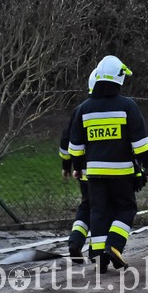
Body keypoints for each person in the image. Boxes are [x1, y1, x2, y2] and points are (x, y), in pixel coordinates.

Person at [69, 55, 148, 272]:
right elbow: (140, 142)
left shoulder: (84, 109)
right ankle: (114, 246)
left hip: (95, 174)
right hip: (122, 172)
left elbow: (75, 145)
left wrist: (77, 167)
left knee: (98, 212)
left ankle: (99, 257)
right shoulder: (128, 106)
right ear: (119, 78)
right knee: (126, 208)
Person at [59, 68, 96, 264]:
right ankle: (97, 249)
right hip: (104, 170)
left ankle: (75, 241)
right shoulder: (108, 108)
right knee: (101, 208)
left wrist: (67, 165)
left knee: (86, 205)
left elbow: (67, 140)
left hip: (82, 169)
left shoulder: (79, 110)